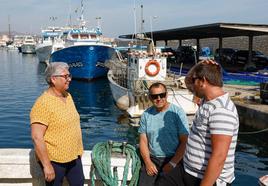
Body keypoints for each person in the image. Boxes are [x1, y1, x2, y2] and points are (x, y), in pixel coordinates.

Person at [157, 59, 239, 186]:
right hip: (188, 170)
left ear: (203, 81)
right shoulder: (207, 101)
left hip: (207, 178)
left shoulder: (221, 110)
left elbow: (219, 157)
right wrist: (199, 65)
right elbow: (188, 81)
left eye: (196, 80)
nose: (192, 84)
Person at [30, 62, 84, 186]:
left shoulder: (68, 96)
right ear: (54, 79)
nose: (69, 79)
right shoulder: (43, 104)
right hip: (54, 161)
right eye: (65, 76)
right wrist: (47, 165)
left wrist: (79, 149)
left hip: (73, 157)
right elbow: (37, 137)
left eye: (69, 75)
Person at [138, 82, 189, 186]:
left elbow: (185, 141)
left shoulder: (177, 113)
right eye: (154, 96)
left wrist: (172, 163)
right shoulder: (146, 115)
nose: (159, 98)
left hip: (174, 158)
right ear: (150, 97)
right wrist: (148, 162)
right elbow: (143, 141)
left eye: (162, 95)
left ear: (166, 95)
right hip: (153, 159)